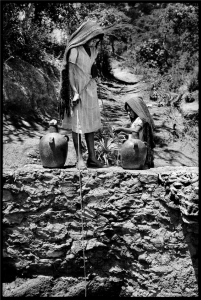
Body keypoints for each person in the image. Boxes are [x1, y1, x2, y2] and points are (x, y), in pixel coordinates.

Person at [58, 20, 105, 169]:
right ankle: (79, 158)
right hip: (77, 90)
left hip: (90, 89)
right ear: (87, 35)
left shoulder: (94, 50)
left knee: (89, 124)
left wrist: (94, 70)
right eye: (94, 38)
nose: (96, 42)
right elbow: (70, 72)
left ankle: (92, 157)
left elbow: (90, 66)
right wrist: (74, 92)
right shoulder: (75, 50)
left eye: (98, 39)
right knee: (77, 124)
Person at [113, 96, 155, 169]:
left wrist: (121, 129)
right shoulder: (136, 120)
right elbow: (132, 132)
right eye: (127, 111)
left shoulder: (141, 119)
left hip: (137, 149)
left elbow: (135, 131)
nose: (128, 113)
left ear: (136, 109)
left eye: (130, 110)